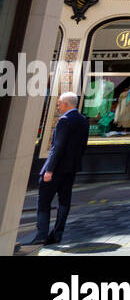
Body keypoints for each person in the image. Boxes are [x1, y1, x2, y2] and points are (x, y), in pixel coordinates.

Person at [27, 92, 90, 246]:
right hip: (71, 169)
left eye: (60, 103)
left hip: (56, 170)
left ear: (67, 104)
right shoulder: (83, 120)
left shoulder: (64, 120)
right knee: (64, 201)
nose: (58, 106)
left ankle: (41, 235)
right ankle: (57, 234)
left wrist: (49, 170)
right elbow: (83, 146)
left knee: (43, 202)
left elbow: (58, 147)